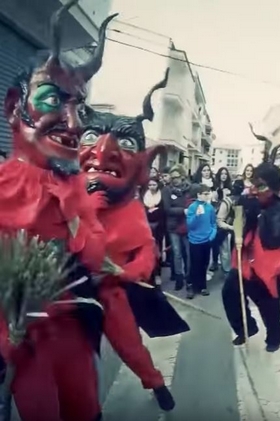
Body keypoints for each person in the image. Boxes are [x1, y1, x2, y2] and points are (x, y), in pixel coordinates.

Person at [0, 3, 114, 420]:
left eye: (79, 107)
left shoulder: (76, 187)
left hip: (74, 332)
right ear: (15, 105)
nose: (71, 121)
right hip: (25, 345)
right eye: (52, 99)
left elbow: (93, 259)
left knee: (86, 408)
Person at [79, 70, 189, 412]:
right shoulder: (64, 197)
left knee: (130, 346)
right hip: (67, 292)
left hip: (112, 291)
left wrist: (125, 273)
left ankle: (155, 382)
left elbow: (146, 254)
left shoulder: (132, 210)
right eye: (92, 137)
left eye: (125, 145)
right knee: (75, 358)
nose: (105, 152)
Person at [221, 148, 280, 353]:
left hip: (268, 267)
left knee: (269, 306)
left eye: (260, 186)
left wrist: (258, 217)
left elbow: (275, 239)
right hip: (244, 262)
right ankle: (246, 327)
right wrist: (243, 217)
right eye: (254, 184)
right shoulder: (247, 201)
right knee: (230, 293)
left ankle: (274, 337)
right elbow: (238, 231)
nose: (254, 189)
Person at [162, 164, 192, 290]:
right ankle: (179, 278)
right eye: (172, 177)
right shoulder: (166, 190)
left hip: (186, 225)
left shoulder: (188, 189)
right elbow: (167, 209)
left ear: (182, 176)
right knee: (177, 253)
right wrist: (183, 210)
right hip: (173, 226)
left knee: (189, 252)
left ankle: (189, 277)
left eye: (177, 177)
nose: (175, 180)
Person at [186, 184, 217, 299]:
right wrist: (196, 216)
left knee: (204, 264)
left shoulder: (210, 208)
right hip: (195, 241)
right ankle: (191, 286)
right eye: (205, 194)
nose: (207, 196)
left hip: (206, 240)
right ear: (198, 195)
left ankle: (202, 286)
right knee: (195, 264)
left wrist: (211, 236)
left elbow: (213, 223)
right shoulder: (192, 207)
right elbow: (190, 225)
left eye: (208, 193)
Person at [144, 177, 165, 285]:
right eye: (150, 185)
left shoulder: (161, 196)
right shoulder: (144, 195)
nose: (152, 187)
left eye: (154, 185)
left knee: (157, 251)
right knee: (147, 250)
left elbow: (164, 211)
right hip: (147, 227)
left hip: (158, 227)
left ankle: (157, 274)